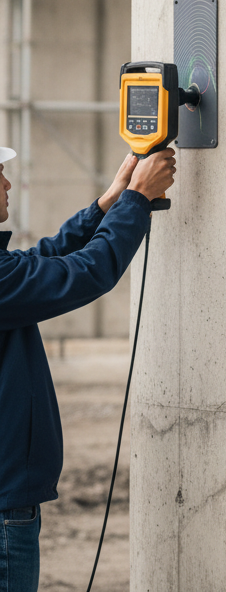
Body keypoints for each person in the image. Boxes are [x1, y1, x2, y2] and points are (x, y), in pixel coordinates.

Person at [0, 144, 175, 592]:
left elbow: (41, 261)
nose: (7, 183)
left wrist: (109, 203)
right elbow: (85, 273)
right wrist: (136, 200)